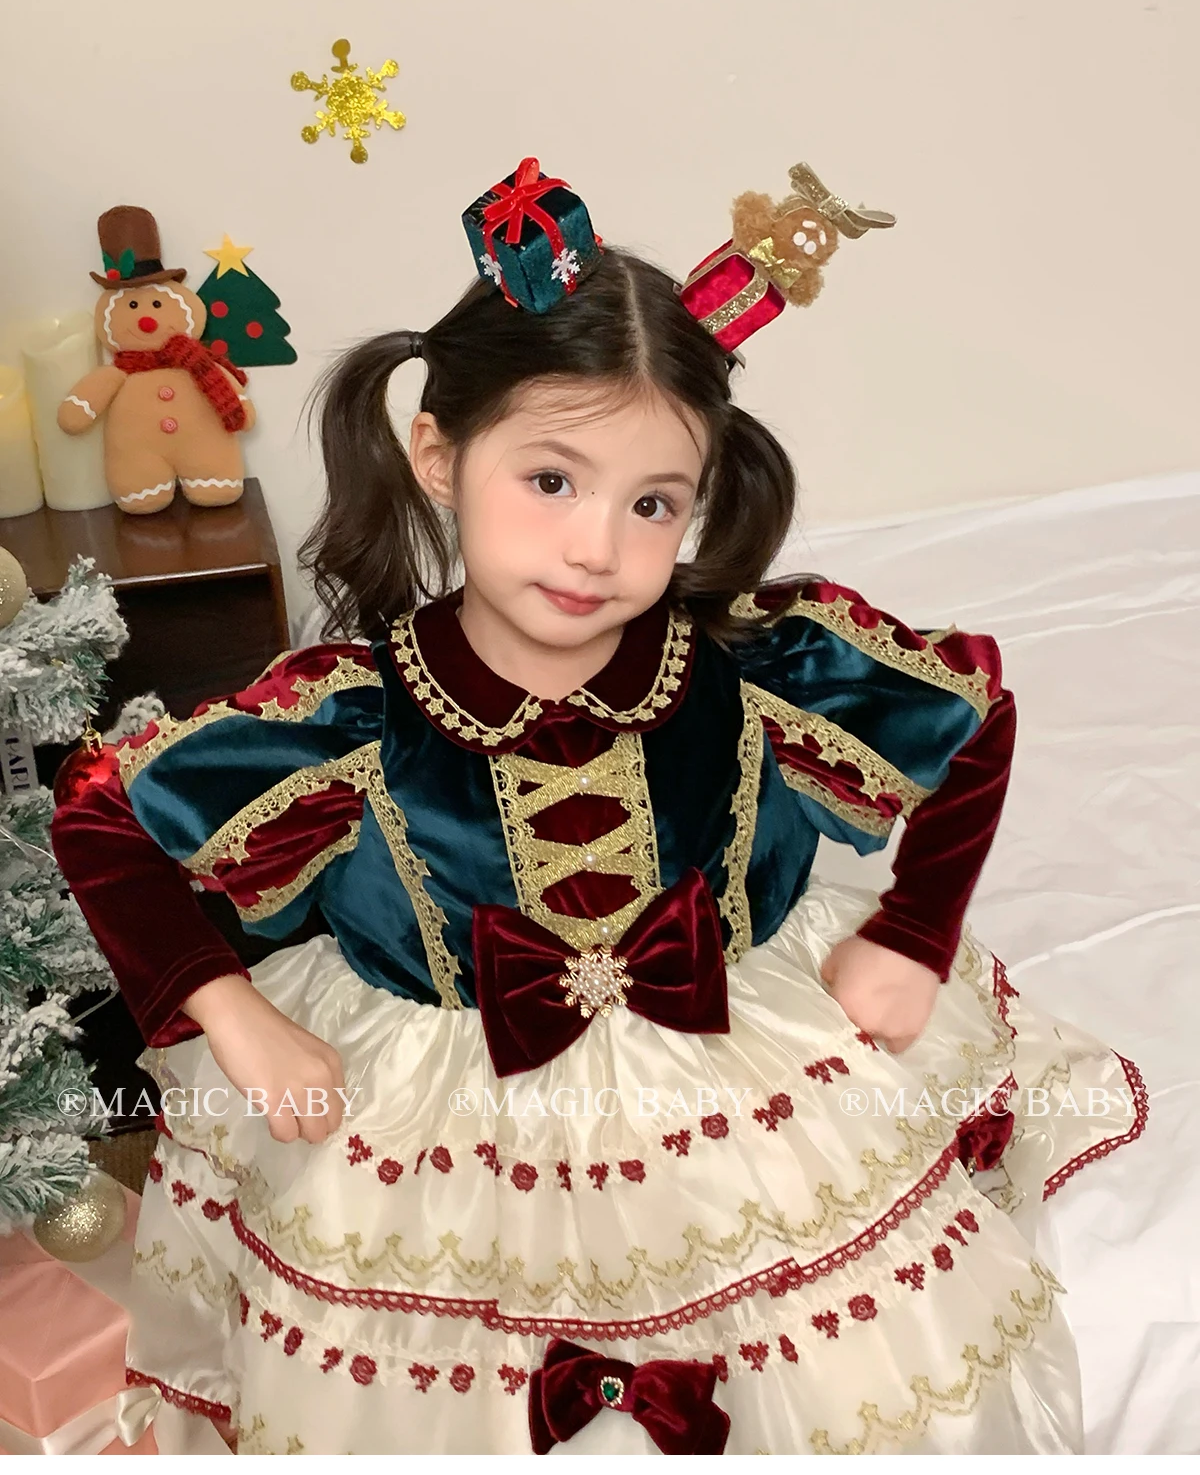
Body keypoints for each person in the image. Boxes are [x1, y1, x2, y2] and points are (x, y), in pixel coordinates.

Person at [52, 160, 1146, 1456]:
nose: (597, 549)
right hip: (431, 1107)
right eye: (552, 481)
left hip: (739, 1064)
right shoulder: (348, 712)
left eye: (653, 504)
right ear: (439, 455)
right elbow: (102, 812)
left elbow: (973, 711)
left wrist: (913, 933)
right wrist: (232, 1016)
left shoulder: (755, 667)